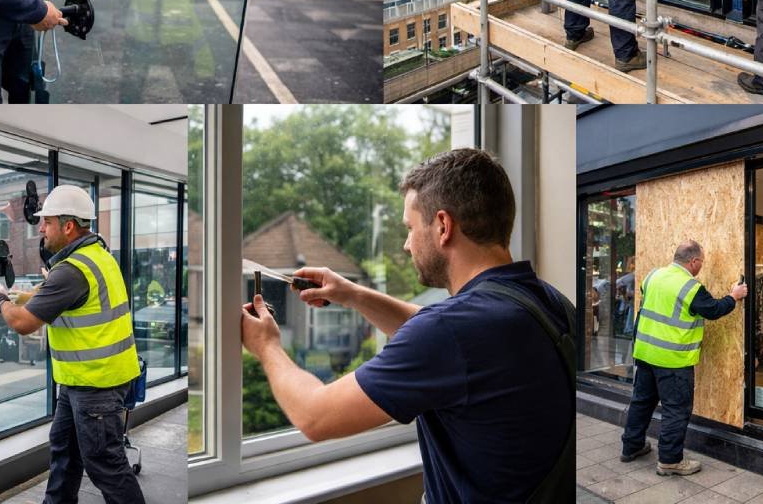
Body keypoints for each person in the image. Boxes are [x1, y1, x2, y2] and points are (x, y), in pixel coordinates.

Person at [241, 148, 576, 503]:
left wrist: (267, 346)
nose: (405, 244)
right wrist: (354, 295)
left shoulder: (452, 332)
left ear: (443, 226)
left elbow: (314, 415)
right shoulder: (548, 303)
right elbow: (448, 341)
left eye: (410, 228)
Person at [0, 185, 144, 504]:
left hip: (96, 384)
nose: (41, 228)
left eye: (47, 222)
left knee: (106, 467)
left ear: (68, 226)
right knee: (64, 457)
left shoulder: (72, 271)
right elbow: (70, 300)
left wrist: (0, 301)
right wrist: (29, 296)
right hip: (82, 382)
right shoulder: (97, 256)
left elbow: (23, 323)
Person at [620, 240, 748, 476]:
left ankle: (631, 446)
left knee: (641, 401)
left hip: (645, 353)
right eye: (702, 262)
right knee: (676, 410)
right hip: (673, 359)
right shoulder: (690, 287)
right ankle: (669, 460)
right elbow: (714, 309)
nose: (701, 265)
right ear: (694, 262)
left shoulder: (653, 276)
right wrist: (734, 295)